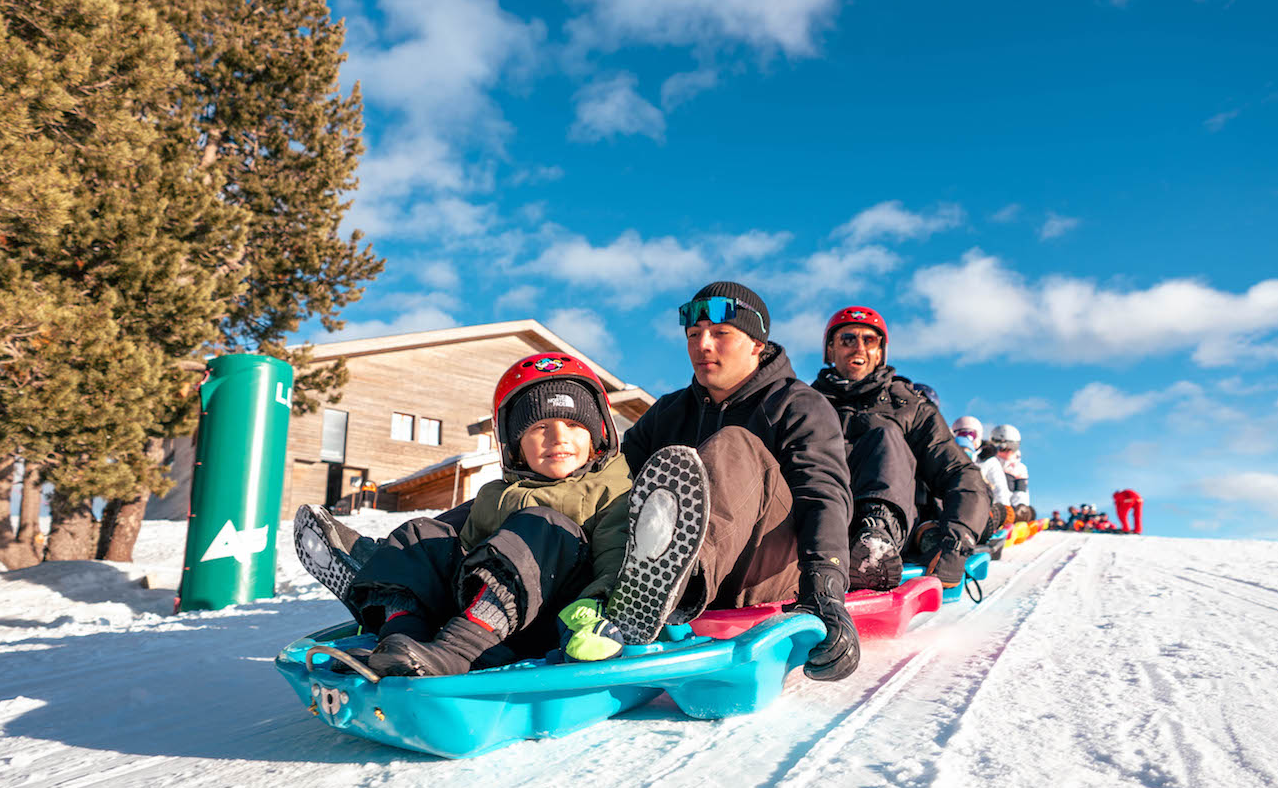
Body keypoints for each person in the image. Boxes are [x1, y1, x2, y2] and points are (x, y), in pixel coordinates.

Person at [565, 281, 861, 681]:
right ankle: (640, 589)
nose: (703, 345)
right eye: (693, 335)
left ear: (757, 344)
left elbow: (822, 493)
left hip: (765, 571)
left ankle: (664, 589)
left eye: (721, 334)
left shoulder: (798, 404)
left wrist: (826, 587)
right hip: (678, 582)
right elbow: (611, 483)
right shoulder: (669, 411)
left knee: (732, 446)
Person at [292, 352, 631, 676]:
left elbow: (616, 554)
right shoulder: (495, 495)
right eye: (539, 428)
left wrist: (597, 610)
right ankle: (399, 639)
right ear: (514, 446)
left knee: (543, 525)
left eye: (573, 424)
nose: (558, 438)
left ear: (598, 434)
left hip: (555, 619)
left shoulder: (611, 488)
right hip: (489, 622)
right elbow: (460, 557)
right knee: (421, 535)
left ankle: (454, 652)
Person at [812, 306, 992, 592]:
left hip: (890, 527)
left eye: (869, 341)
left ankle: (873, 547)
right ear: (830, 350)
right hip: (817, 525)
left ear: (880, 352)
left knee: (884, 436)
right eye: (847, 339)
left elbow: (959, 472)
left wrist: (958, 542)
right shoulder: (807, 404)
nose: (858, 347)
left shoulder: (909, 407)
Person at [952, 415, 1014, 530]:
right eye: (960, 434)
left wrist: (1005, 509)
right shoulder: (950, 457)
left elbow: (1000, 487)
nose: (966, 438)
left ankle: (993, 527)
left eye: (970, 435)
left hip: (983, 507)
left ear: (978, 436)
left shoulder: (988, 460)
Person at [986, 423, 1033, 522]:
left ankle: (1018, 523)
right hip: (991, 505)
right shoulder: (988, 462)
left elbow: (1021, 492)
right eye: (1003, 447)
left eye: (1012, 446)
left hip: (1011, 508)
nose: (1008, 451)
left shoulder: (1019, 467)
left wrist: (1019, 509)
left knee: (1027, 511)